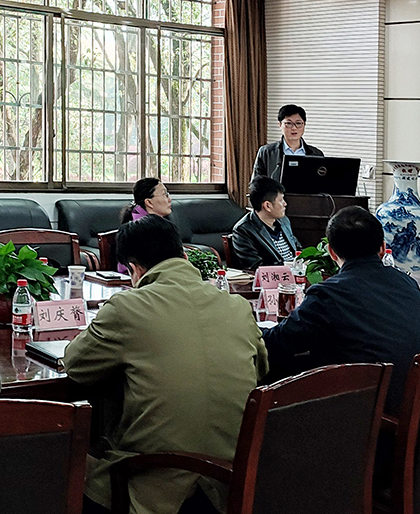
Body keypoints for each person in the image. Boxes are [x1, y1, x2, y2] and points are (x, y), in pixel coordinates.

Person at [65, 215, 268, 514]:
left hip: (157, 482)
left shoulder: (127, 307)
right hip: (233, 481)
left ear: (134, 269)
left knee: (62, 460)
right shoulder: (237, 305)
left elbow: (75, 365)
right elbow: (261, 369)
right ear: (184, 255)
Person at [260, 206, 420, 408]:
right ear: (382, 248)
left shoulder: (328, 295)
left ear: (331, 252)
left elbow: (278, 342)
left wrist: (252, 331)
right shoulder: (407, 284)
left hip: (365, 412)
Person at [228, 176, 300, 271]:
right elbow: (255, 266)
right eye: (281, 200)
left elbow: (298, 249)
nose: (285, 204)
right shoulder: (243, 230)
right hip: (274, 277)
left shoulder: (284, 221)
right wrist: (288, 267)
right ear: (267, 206)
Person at [252, 104, 323, 183]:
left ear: (304, 125)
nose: (294, 128)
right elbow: (256, 184)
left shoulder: (316, 154)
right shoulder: (266, 152)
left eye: (298, 123)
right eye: (289, 123)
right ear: (280, 125)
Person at [116, 177, 173, 273]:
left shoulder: (158, 223)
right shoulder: (140, 228)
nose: (169, 200)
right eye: (165, 195)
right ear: (149, 202)